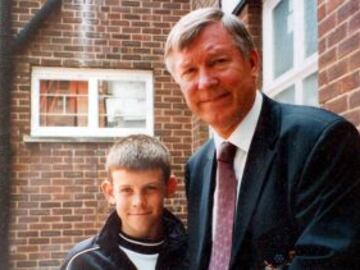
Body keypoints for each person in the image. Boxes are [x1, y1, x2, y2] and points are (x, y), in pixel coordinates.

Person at [164, 7, 360, 270]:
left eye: (218, 62)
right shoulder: (197, 166)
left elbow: (328, 262)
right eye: (189, 71)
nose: (205, 82)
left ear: (252, 62)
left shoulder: (321, 141)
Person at [60, 135, 187, 270]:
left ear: (169, 188)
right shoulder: (82, 262)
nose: (138, 202)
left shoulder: (196, 254)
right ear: (110, 192)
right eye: (127, 190)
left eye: (150, 188)